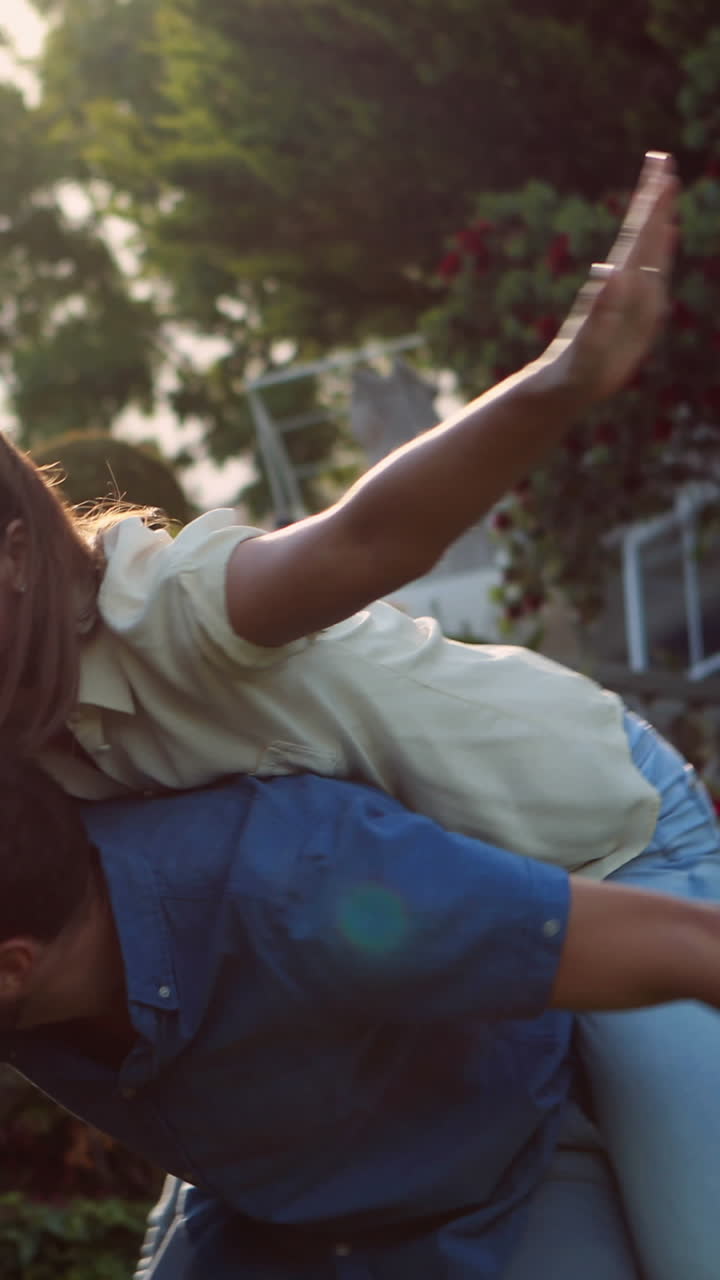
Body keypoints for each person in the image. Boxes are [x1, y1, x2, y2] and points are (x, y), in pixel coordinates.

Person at [0, 150, 708, 1275]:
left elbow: (369, 539)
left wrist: (562, 381)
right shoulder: (20, 748)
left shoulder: (160, 613)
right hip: (432, 973)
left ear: (18, 554)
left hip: (599, 845)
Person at [4, 759, 720, 1280]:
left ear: (13, 969)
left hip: (500, 1180)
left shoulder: (306, 885)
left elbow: (694, 946)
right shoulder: (33, 940)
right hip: (266, 1222)